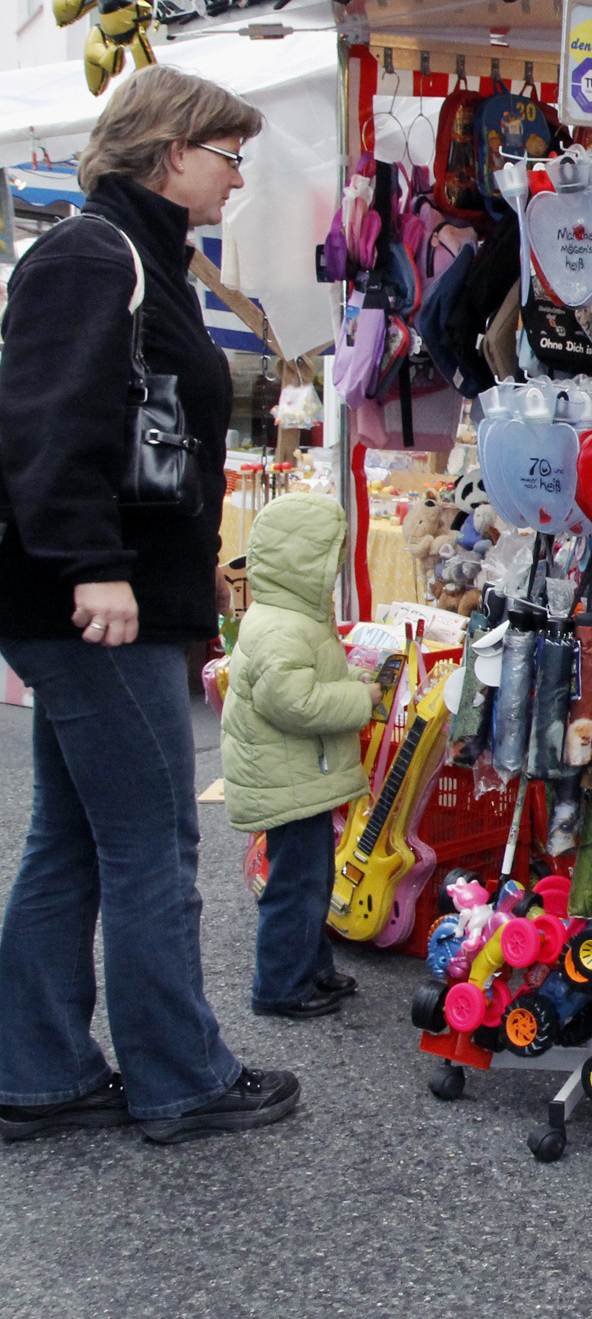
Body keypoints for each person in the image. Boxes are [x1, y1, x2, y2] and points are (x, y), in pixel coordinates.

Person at [0, 65, 300, 1143]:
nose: (237, 179)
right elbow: (47, 421)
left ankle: (36, 1070)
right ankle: (180, 1077)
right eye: (228, 156)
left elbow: (146, 432)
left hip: (109, 590)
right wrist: (94, 563)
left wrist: (184, 565)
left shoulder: (140, 257)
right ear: (171, 151)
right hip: (90, 601)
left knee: (77, 838)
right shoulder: (96, 255)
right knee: (151, 842)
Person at [221, 492, 397, 1019]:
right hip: (288, 778)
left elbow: (308, 679)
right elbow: (294, 703)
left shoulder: (294, 616)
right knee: (296, 886)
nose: (335, 570)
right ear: (303, 562)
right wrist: (360, 698)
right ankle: (281, 987)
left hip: (297, 775)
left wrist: (351, 680)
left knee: (311, 880)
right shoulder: (282, 626)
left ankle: (310, 967)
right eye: (329, 559)